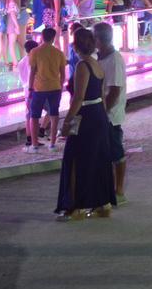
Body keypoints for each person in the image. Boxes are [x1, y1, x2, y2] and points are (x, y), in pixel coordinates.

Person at [54, 29, 116, 221]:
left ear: (75, 46)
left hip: (86, 117)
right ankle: (102, 203)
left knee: (75, 160)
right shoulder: (97, 65)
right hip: (98, 115)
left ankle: (77, 207)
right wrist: (104, 118)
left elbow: (78, 98)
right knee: (98, 159)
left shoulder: (82, 66)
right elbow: (102, 95)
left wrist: (67, 121)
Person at [91, 23, 128, 207]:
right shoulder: (100, 58)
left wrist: (103, 112)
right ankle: (108, 188)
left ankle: (119, 190)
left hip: (110, 115)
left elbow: (114, 90)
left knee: (116, 152)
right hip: (103, 112)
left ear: (98, 39)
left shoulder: (114, 59)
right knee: (104, 153)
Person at [24, 27, 66, 153]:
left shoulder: (35, 52)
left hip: (38, 88)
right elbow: (63, 74)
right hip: (55, 87)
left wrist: (30, 88)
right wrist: (60, 85)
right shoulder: (59, 53)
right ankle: (52, 144)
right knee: (54, 115)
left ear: (42, 36)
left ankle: (35, 145)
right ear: (53, 38)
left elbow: (32, 72)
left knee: (34, 116)